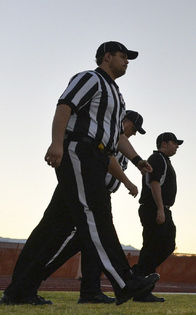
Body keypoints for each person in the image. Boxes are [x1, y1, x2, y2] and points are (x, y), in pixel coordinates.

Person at [0, 42, 159, 306]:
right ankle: (125, 281)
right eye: (123, 56)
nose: (127, 61)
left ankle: (19, 291)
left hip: (96, 155)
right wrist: (57, 142)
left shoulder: (116, 95)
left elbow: (116, 135)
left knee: (55, 227)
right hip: (80, 150)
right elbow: (65, 106)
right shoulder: (90, 78)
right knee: (95, 213)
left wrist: (137, 160)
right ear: (107, 57)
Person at [40, 110, 146, 304]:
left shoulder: (120, 145)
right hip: (88, 191)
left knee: (91, 244)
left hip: (101, 196)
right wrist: (128, 182)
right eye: (134, 128)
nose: (134, 133)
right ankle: (34, 274)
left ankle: (90, 290)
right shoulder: (108, 137)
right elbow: (106, 162)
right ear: (125, 122)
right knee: (74, 240)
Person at [133, 132, 183, 303]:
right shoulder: (157, 158)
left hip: (162, 208)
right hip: (154, 208)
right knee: (152, 246)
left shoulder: (164, 160)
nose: (177, 146)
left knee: (167, 244)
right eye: (174, 143)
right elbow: (154, 182)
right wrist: (160, 209)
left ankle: (139, 274)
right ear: (164, 144)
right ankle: (140, 284)